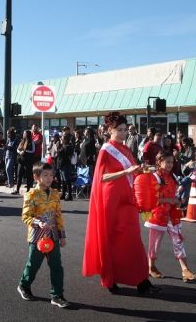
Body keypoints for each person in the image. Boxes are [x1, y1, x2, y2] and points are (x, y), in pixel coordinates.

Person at [82, 112, 159, 295]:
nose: (123, 133)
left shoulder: (125, 149)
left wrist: (142, 170)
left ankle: (141, 279)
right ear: (109, 130)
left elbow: (132, 170)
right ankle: (111, 279)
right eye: (119, 130)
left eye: (125, 130)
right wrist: (126, 172)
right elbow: (100, 178)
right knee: (112, 240)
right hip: (111, 200)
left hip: (127, 198)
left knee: (132, 238)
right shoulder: (105, 150)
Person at [16, 163, 69, 308]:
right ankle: (24, 285)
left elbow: (58, 216)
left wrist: (62, 235)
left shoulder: (55, 194)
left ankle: (57, 295)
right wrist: (37, 222)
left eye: (51, 175)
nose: (49, 178)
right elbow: (25, 216)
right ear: (36, 177)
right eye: (45, 175)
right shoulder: (31, 195)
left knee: (57, 265)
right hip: (37, 237)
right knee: (33, 264)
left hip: (53, 235)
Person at [146, 151, 196, 282]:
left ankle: (185, 270)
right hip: (158, 215)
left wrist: (177, 200)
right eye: (167, 162)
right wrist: (171, 200)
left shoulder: (173, 176)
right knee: (155, 243)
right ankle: (151, 267)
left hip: (172, 214)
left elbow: (173, 194)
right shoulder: (154, 177)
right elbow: (153, 199)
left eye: (172, 162)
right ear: (159, 162)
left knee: (178, 241)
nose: (170, 164)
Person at [12, 130, 36, 195]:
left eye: (25, 133)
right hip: (21, 161)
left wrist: (25, 151)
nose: (23, 135)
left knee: (29, 175)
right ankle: (17, 189)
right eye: (23, 133)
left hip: (28, 161)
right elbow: (17, 149)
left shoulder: (32, 142)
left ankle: (28, 189)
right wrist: (20, 152)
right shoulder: (22, 141)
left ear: (27, 134)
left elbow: (33, 150)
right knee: (19, 175)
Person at [55, 135, 75, 201]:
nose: (61, 139)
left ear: (65, 140)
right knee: (63, 181)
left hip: (65, 165)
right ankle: (63, 194)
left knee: (67, 180)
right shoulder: (64, 146)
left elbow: (60, 153)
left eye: (62, 138)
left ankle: (69, 195)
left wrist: (58, 147)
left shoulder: (67, 147)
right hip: (62, 165)